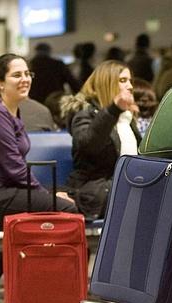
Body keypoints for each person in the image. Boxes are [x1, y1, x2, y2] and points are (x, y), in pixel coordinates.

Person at [0, 54, 77, 269]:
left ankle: (16, 269)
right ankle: (48, 277)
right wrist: (47, 195)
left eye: (28, 74)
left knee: (72, 197)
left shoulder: (9, 110)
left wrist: (50, 193)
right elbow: (16, 168)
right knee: (67, 209)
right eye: (17, 75)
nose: (25, 79)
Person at [60, 60, 141, 220]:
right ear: (107, 83)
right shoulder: (84, 113)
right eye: (123, 80)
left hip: (124, 188)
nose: (130, 86)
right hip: (96, 192)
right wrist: (113, 110)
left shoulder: (126, 118)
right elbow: (89, 145)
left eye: (130, 81)